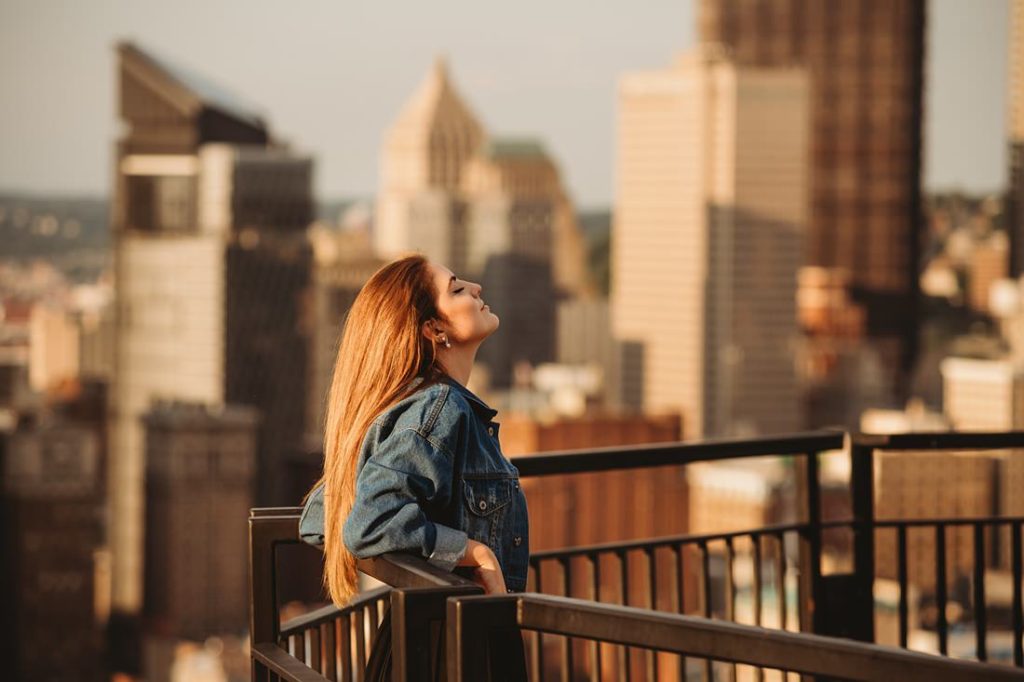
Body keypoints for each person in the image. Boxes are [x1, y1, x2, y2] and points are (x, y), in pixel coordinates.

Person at [298, 255, 529, 680]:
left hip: (424, 641)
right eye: (457, 289)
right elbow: (367, 524)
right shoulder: (437, 408)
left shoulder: (417, 404)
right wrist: (471, 550)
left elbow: (321, 515)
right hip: (453, 651)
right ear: (434, 328)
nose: (476, 288)